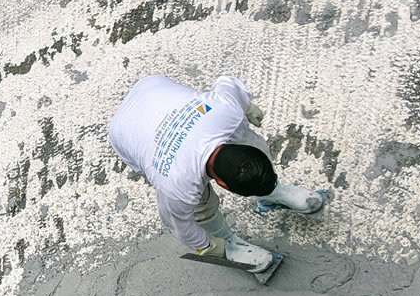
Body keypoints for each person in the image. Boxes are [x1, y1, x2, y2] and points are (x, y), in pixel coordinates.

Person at [108, 74, 328, 282]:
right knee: (200, 204)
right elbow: (177, 225)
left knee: (245, 135)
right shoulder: (176, 185)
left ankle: (271, 194)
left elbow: (228, 82)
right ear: (221, 184)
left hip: (152, 86)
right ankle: (228, 240)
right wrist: (209, 246)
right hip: (123, 130)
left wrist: (246, 105)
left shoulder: (226, 109)